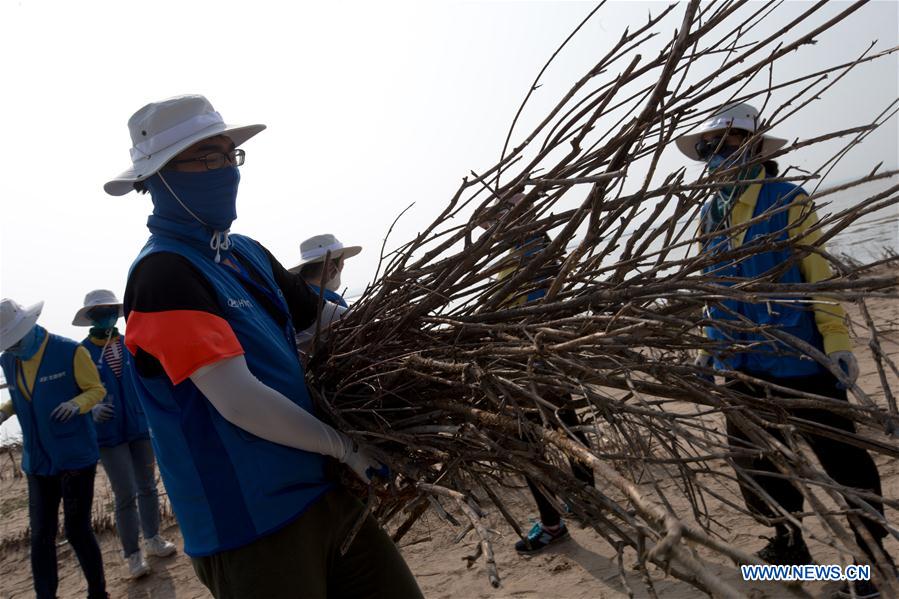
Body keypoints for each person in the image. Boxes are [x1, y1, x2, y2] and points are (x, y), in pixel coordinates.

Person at [104, 94, 422, 599]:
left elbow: (327, 321)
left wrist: (422, 335)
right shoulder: (161, 274)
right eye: (208, 158)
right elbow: (238, 400)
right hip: (250, 524)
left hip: (325, 491)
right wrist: (347, 447)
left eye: (231, 155)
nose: (226, 170)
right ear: (159, 177)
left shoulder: (245, 253)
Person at [678, 103, 890, 597]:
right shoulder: (709, 214)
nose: (713, 154)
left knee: (843, 461)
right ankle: (789, 543)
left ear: (753, 148)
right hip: (740, 362)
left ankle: (870, 561)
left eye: (725, 144)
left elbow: (820, 275)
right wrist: (710, 348)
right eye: (707, 147)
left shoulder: (789, 200)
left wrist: (837, 342)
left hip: (798, 356)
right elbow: (715, 289)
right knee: (756, 463)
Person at [479, 194, 597, 554]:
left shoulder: (533, 253)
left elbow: (535, 314)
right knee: (567, 432)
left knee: (529, 444)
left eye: (500, 219)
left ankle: (554, 522)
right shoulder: (526, 251)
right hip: (529, 364)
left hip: (532, 366)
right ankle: (583, 502)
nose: (494, 229)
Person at [0, 298, 108, 599]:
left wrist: (76, 404)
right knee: (40, 537)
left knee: (77, 530)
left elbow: (96, 389)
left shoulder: (70, 351)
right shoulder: (9, 359)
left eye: (13, 342)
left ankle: (98, 592)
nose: (11, 348)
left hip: (75, 457)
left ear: (28, 327)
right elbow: (24, 395)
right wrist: (6, 411)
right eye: (6, 345)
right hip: (37, 461)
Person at [73, 289, 177, 579]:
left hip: (140, 426)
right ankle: (133, 555)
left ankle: (153, 539)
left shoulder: (132, 342)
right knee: (124, 494)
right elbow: (76, 392)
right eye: (97, 313)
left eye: (108, 310)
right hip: (107, 433)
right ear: (90, 318)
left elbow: (153, 377)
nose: (104, 316)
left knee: (148, 486)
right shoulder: (81, 351)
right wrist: (91, 410)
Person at [289, 233, 362, 309]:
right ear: (329, 266)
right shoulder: (334, 302)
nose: (342, 266)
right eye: (342, 263)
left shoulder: (291, 296)